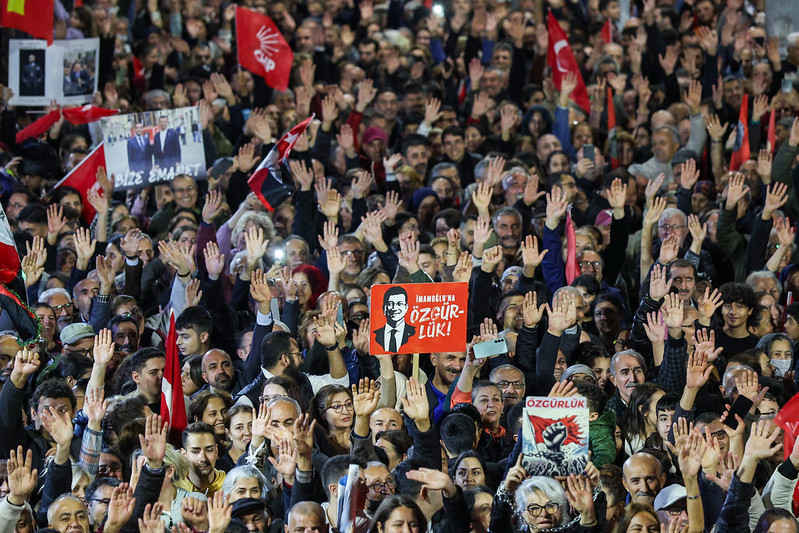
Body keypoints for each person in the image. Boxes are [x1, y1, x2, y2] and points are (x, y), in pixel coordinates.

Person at [373, 286, 415, 352]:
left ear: (406, 308)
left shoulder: (415, 333)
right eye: (390, 304)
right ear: (384, 308)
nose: (394, 308)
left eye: (399, 304)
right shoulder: (373, 335)